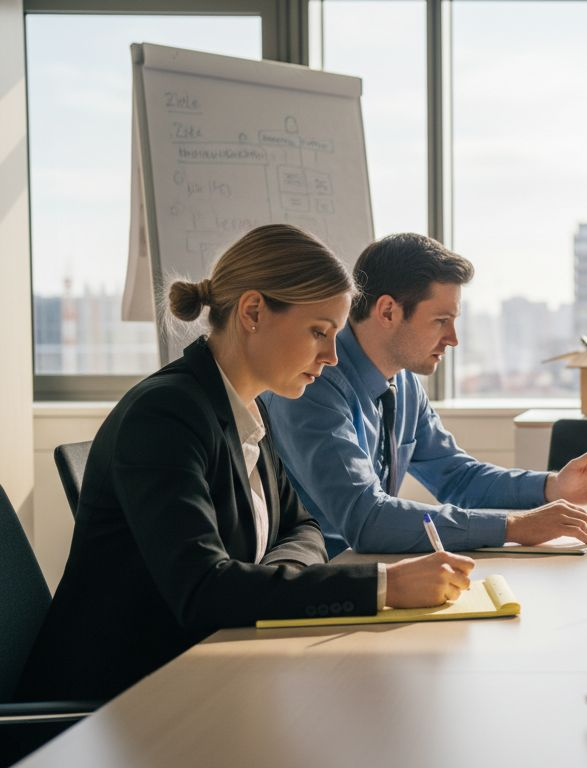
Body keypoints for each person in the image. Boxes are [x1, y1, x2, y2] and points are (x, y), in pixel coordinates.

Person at [18, 225, 474, 701]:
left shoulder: (250, 408)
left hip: (212, 671)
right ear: (253, 312)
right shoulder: (167, 415)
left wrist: (268, 581)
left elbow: (304, 530)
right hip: (123, 703)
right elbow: (204, 590)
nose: (332, 356)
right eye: (319, 331)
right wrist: (385, 585)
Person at [264, 233, 587, 557]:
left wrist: (554, 487)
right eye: (440, 320)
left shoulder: (402, 384)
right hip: (318, 576)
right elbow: (366, 518)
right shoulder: (313, 382)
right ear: (388, 311)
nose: (453, 339)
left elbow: (457, 478)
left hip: (369, 564)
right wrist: (514, 528)